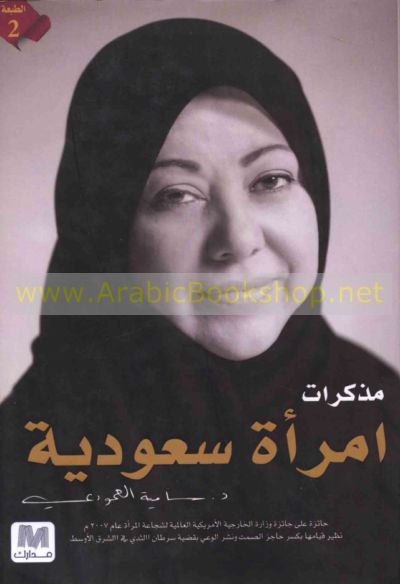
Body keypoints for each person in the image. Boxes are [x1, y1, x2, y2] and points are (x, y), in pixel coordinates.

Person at [1, 18, 398, 584]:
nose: (239, 238)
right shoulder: (29, 464)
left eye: (270, 180)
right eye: (177, 195)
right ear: (108, 234)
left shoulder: (381, 412)